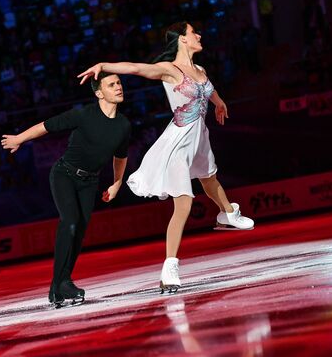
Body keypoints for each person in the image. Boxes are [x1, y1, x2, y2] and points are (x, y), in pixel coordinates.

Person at [78, 21, 254, 294]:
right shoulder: (169, 70)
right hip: (179, 143)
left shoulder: (200, 70)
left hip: (199, 138)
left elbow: (208, 89)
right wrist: (104, 65)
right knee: (183, 204)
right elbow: (137, 68)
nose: (199, 34)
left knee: (210, 180)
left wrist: (219, 102)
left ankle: (227, 214)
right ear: (182, 40)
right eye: (193, 32)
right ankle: (169, 268)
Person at [1, 72, 131, 307]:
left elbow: (120, 156)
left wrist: (117, 182)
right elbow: (47, 126)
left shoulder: (123, 125)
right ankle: (63, 282)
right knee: (70, 221)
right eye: (111, 85)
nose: (118, 87)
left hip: (90, 182)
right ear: (99, 93)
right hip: (65, 175)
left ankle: (57, 287)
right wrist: (19, 138)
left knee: (79, 232)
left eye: (119, 83)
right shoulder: (83, 115)